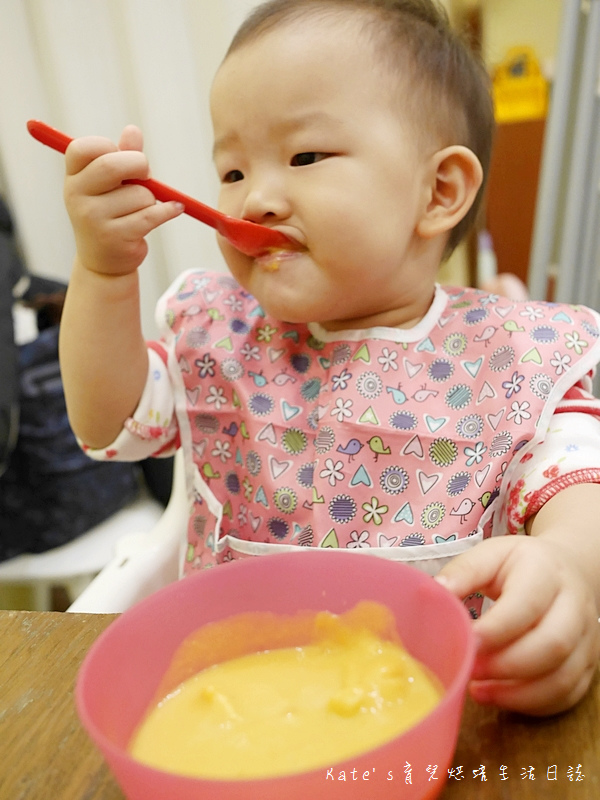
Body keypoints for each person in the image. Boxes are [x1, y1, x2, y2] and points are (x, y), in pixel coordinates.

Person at [59, 0, 600, 716]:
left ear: (438, 192)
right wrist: (103, 273)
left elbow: (578, 491)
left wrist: (566, 568)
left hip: (445, 714)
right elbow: (107, 423)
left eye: (305, 156)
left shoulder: (515, 356)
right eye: (230, 170)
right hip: (236, 706)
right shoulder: (222, 334)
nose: (255, 199)